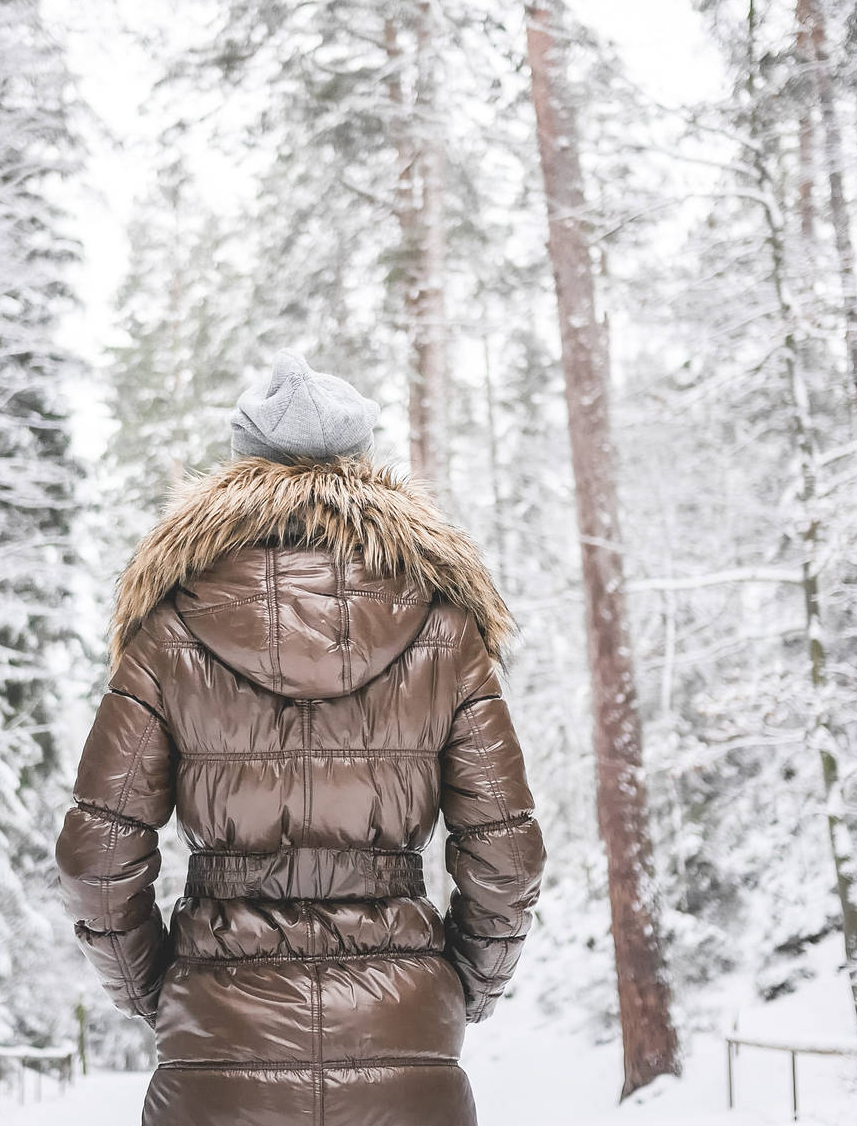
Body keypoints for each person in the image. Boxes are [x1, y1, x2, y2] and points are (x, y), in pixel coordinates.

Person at [56, 351, 546, 1126]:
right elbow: (508, 854)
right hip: (404, 1041)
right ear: (362, 465)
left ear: (241, 470)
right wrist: (461, 987)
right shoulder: (447, 630)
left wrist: (158, 989)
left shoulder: (169, 627)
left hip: (218, 1048)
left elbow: (96, 854)